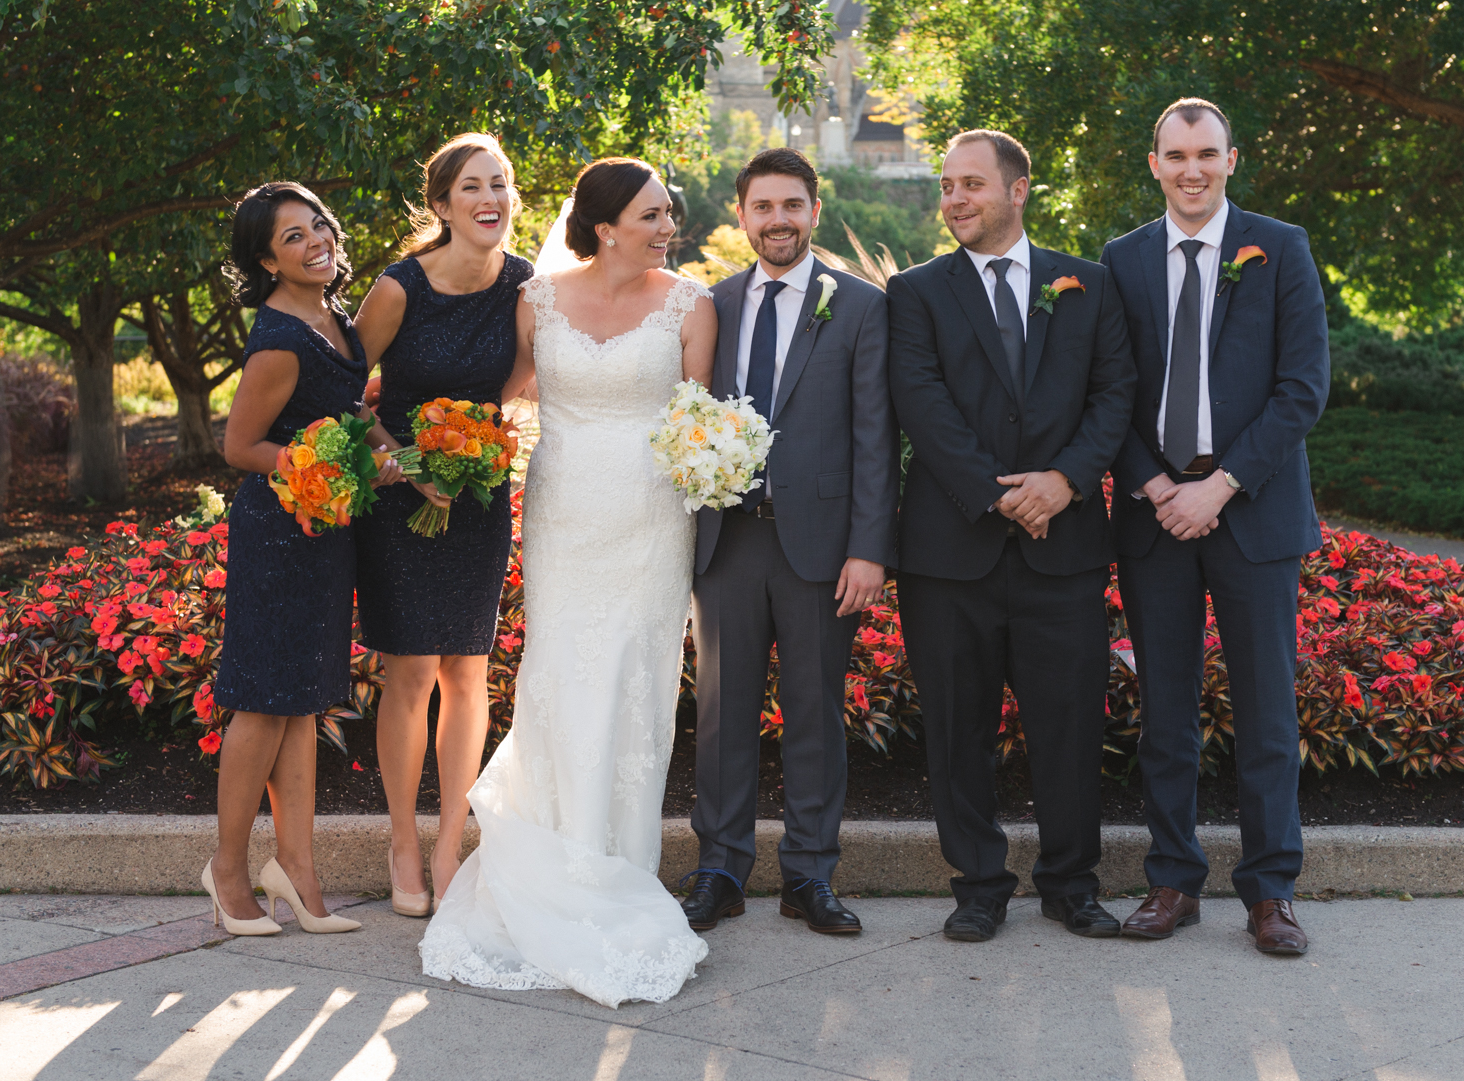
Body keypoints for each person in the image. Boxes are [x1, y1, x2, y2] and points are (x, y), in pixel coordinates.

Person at [419, 158, 716, 1008]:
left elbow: (699, 415)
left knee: (636, 677)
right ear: (605, 222)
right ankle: (549, 851)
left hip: (653, 516)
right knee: (559, 670)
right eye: (653, 214)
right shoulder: (536, 300)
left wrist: (717, 462)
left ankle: (618, 860)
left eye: (670, 213)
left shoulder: (692, 303)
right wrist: (431, 433)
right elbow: (508, 391)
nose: (668, 226)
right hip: (562, 513)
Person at [887, 130, 1137, 943]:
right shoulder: (916, 292)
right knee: (958, 727)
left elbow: (1114, 393)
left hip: (1062, 547)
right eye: (947, 186)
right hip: (949, 549)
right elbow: (921, 402)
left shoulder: (1089, 284)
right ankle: (980, 884)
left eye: (972, 184)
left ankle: (1072, 883)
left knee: (1069, 724)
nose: (955, 199)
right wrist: (1001, 495)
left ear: (1019, 189)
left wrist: (1062, 481)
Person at [1099, 98, 1328, 955]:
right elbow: (1106, 391)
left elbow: (1301, 387)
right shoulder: (1120, 259)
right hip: (1157, 516)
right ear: (1153, 163)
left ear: (1233, 159)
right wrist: (1159, 484)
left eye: (1206, 153)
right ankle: (1172, 879)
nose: (1190, 169)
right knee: (1166, 710)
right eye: (1175, 154)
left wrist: (1220, 486)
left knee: (1267, 710)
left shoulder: (1282, 248)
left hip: (1254, 513)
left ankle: (1271, 892)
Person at [681, 148, 898, 936]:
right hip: (727, 541)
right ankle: (720, 869)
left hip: (822, 548)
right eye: (762, 206)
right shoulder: (712, 302)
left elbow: (877, 435)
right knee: (721, 713)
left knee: (813, 714)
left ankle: (810, 873)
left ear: (813, 208)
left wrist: (869, 548)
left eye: (792, 205)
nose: (777, 219)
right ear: (742, 215)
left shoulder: (863, 306)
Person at [207, 182, 399, 936]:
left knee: (302, 703)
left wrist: (400, 458)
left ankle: (297, 868)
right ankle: (226, 872)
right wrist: (324, 467)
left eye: (317, 223)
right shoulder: (279, 338)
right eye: (293, 236)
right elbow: (239, 446)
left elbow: (351, 412)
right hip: (279, 533)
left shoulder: (335, 317)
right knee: (261, 702)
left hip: (327, 528)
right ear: (266, 259)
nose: (316, 239)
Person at [354, 133, 534, 915]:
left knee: (467, 671)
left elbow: (522, 384)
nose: (490, 198)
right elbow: (344, 394)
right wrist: (400, 462)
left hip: (478, 499)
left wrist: (492, 444)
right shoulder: (399, 288)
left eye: (499, 184)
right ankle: (401, 837)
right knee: (411, 672)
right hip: (400, 498)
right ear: (441, 205)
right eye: (472, 187)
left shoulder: (525, 284)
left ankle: (451, 840)